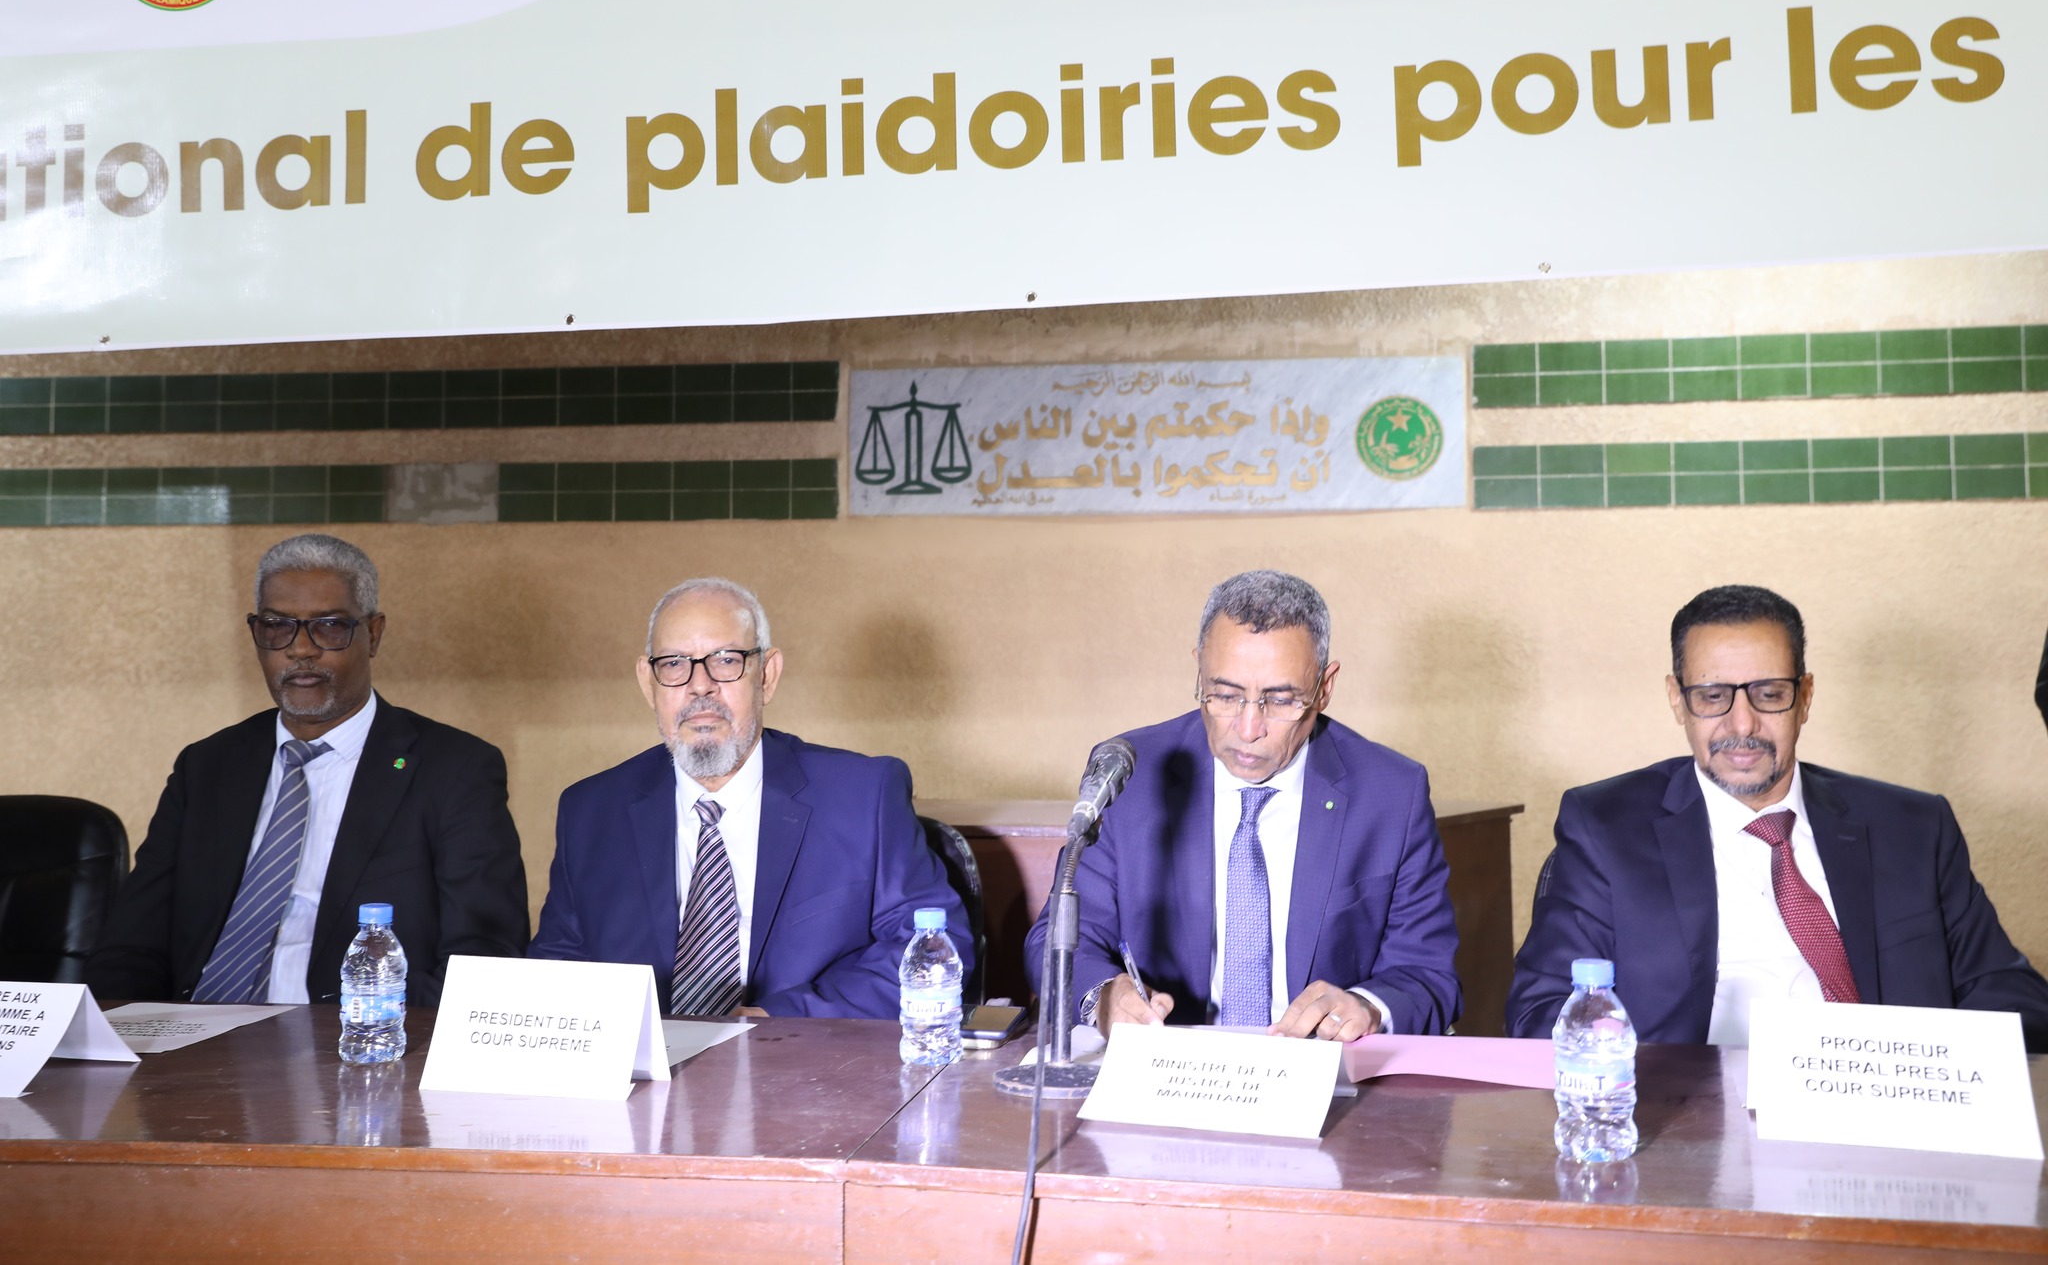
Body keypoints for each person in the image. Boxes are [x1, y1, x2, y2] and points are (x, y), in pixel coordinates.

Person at [1508, 584, 2048, 1051]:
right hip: (1696, 1119)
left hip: (1887, 1111)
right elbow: (1542, 1014)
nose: (1742, 724)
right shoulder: (1606, 829)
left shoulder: (1912, 828)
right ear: (1677, 700)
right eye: (1712, 696)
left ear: (1805, 697)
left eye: (1769, 695)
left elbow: (2010, 996)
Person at [88, 534, 529, 1008]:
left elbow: (484, 954)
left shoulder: (453, 769)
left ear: (374, 633)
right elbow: (131, 943)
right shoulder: (208, 766)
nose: (301, 649)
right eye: (277, 626)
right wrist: (120, 1035)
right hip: (193, 1026)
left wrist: (374, 1029)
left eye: (330, 627)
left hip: (351, 1032)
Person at [1025, 570, 1461, 1041]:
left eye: (1281, 700)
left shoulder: (1391, 793)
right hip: (1170, 1065)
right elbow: (1057, 942)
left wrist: (1368, 1008)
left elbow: (1429, 975)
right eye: (1226, 695)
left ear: (1324, 687)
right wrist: (1102, 996)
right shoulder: (1132, 774)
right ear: (1199, 672)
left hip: (1318, 1069)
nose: (1249, 729)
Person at [528, 576, 969, 1017]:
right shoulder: (591, 812)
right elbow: (556, 969)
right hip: (649, 1059)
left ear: (767, 676)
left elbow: (936, 948)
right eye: (675, 664)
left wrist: (779, 1021)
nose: (700, 686)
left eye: (725, 660)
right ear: (649, 683)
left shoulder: (862, 796)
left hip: (799, 1057)